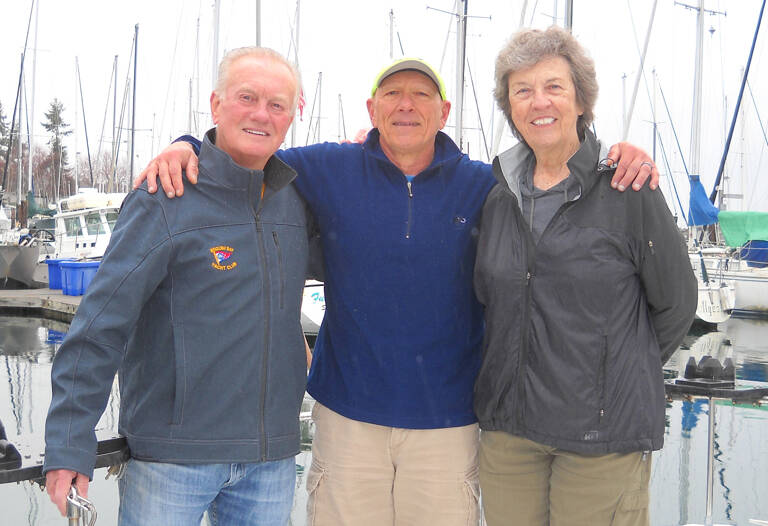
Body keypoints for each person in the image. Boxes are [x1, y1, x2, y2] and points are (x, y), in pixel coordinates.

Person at [136, 57, 659, 525]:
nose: (406, 105)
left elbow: (556, 176)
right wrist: (185, 145)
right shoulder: (324, 168)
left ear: (444, 110)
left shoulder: (485, 185)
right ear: (372, 107)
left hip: (448, 425)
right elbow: (246, 146)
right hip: (346, 420)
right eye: (392, 94)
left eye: (421, 95)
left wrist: (619, 150)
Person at [43, 47, 312, 526]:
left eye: (277, 104)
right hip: (170, 463)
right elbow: (99, 326)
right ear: (215, 104)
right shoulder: (164, 198)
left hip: (271, 462)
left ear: (294, 114)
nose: (260, 114)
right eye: (246, 97)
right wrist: (69, 443)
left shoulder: (298, 202)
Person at [472, 26, 697, 526]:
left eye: (554, 86)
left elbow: (678, 304)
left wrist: (609, 373)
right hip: (509, 434)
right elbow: (488, 300)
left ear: (581, 100)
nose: (539, 102)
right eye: (522, 91)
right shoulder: (498, 196)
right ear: (509, 107)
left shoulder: (626, 186)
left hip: (600, 439)